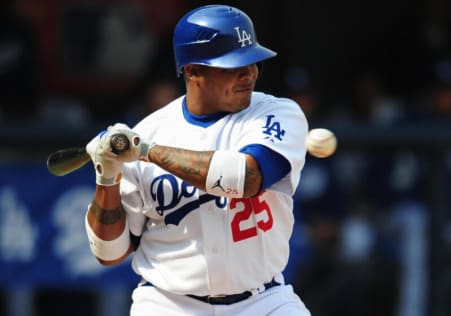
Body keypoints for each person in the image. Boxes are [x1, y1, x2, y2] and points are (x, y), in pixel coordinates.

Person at [84, 4, 311, 316]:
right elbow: (109, 253)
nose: (250, 73)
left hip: (263, 301)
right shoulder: (149, 131)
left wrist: (148, 152)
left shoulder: (277, 113)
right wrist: (106, 177)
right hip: (168, 305)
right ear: (193, 71)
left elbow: (246, 179)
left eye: (253, 62)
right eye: (233, 66)